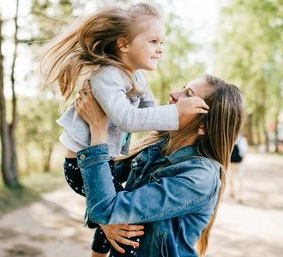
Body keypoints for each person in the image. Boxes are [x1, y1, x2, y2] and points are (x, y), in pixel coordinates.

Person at [40, 3, 208, 257]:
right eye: (153, 41)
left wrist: (177, 117)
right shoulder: (107, 76)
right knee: (123, 222)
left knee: (119, 211)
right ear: (124, 44)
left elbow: (150, 112)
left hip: (103, 159)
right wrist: (176, 113)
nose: (160, 49)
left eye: (162, 42)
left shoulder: (138, 78)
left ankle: (97, 253)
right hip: (82, 165)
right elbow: (127, 119)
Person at [74, 75, 245, 256]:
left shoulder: (199, 177)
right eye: (183, 87)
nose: (173, 93)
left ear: (203, 126)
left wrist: (98, 129)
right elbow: (98, 185)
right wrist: (108, 222)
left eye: (188, 94)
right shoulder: (155, 148)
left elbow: (106, 208)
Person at [228, 132, 249, 203]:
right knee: (239, 179)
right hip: (239, 163)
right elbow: (244, 152)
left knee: (231, 178)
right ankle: (239, 196)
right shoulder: (242, 140)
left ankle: (232, 191)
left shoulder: (230, 139)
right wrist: (243, 162)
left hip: (231, 163)